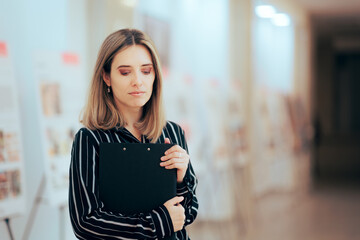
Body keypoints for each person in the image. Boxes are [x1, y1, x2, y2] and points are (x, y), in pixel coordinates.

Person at [68, 28, 198, 240]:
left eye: (146, 71)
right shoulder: (90, 139)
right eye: (125, 72)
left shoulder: (172, 132)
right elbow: (86, 224)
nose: (138, 81)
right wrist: (158, 223)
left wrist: (181, 178)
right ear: (106, 77)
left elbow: (188, 213)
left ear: (155, 75)